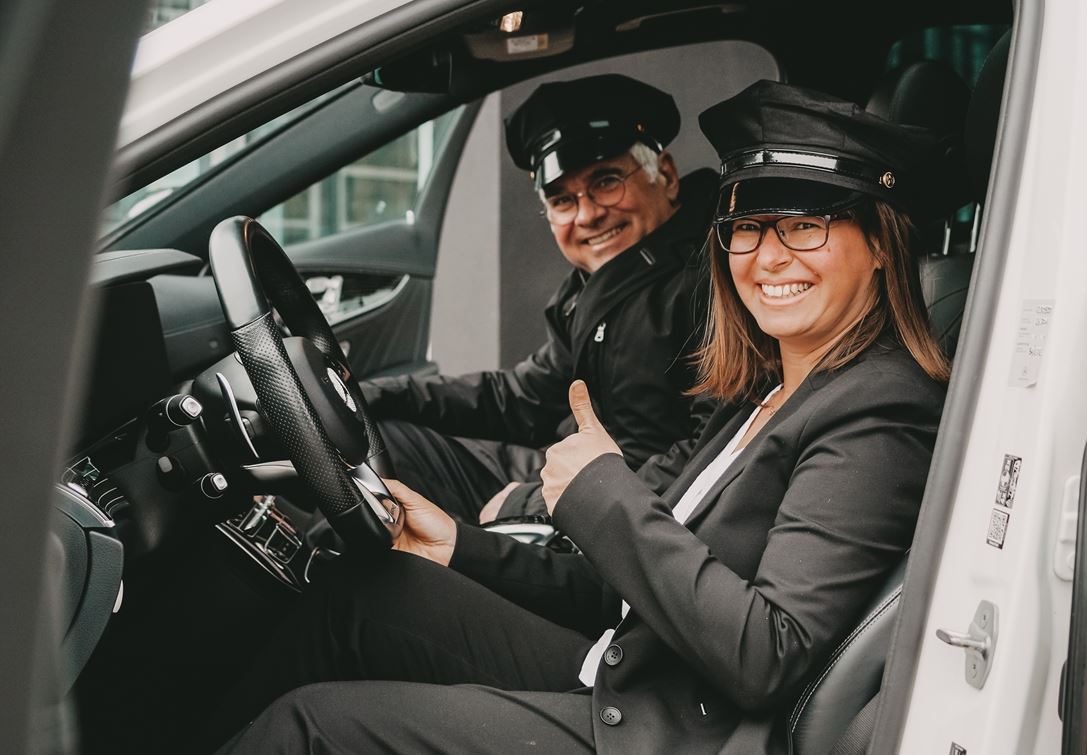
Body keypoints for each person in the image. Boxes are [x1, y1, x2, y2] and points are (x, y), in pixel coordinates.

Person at [209, 80, 952, 754]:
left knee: (306, 727)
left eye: (805, 224)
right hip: (633, 665)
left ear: (881, 244)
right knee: (364, 594)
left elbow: (767, 655)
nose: (767, 256)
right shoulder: (768, 386)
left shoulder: (877, 404)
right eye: (747, 227)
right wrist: (458, 546)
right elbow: (633, 587)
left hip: (667, 728)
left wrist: (602, 491)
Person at [359, 73, 717, 524]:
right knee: (382, 444)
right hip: (570, 478)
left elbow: (711, 452)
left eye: (607, 181)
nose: (587, 215)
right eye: (563, 200)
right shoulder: (593, 288)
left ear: (664, 175)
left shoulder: (715, 274)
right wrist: (373, 394)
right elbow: (521, 399)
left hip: (626, 514)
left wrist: (534, 506)